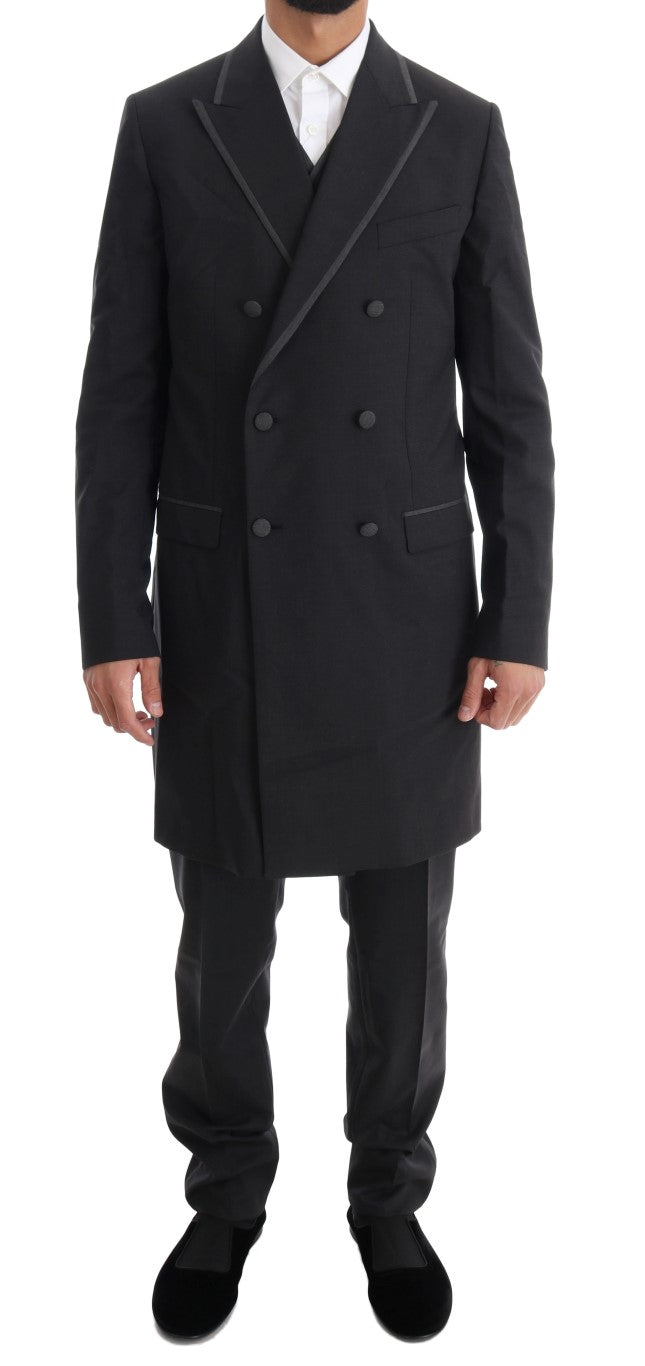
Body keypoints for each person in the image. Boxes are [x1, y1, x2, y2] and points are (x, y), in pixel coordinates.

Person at [75, 0, 555, 1342]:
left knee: (402, 946)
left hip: (404, 612)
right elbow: (120, 394)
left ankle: (388, 1193)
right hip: (225, 603)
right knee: (222, 939)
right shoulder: (166, 125)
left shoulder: (457, 129)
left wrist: (517, 616)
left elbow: (508, 401)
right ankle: (225, 1186)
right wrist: (113, 613)